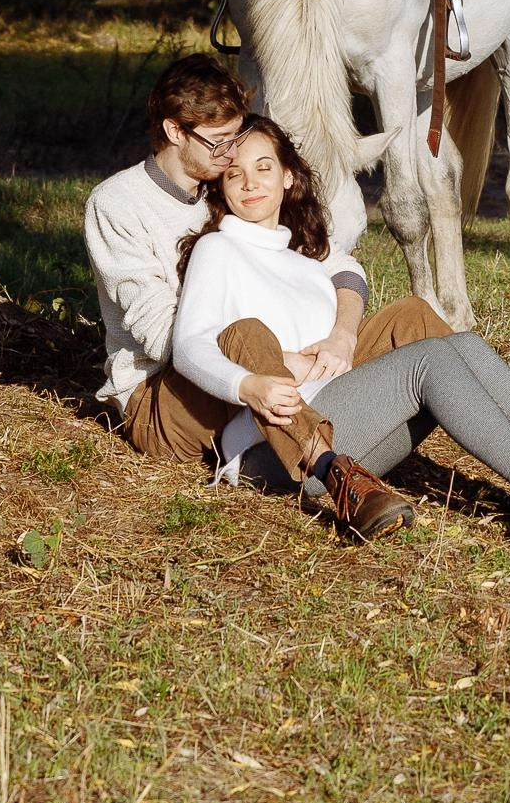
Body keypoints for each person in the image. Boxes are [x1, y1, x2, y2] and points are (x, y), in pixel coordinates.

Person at [173, 114, 510, 543]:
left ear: (287, 176)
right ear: (219, 185)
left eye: (263, 168)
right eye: (233, 174)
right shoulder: (219, 249)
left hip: (346, 423)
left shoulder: (300, 257)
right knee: (428, 360)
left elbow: (348, 274)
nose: (250, 183)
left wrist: (342, 336)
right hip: (276, 453)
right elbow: (189, 345)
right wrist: (249, 383)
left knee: (461, 343)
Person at [84, 56, 434, 538]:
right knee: (244, 333)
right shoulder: (116, 204)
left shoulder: (222, 186)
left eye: (234, 138)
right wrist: (287, 360)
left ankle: (500, 434)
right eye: (219, 142)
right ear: (173, 131)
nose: (232, 155)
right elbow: (161, 332)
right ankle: (335, 473)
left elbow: (338, 265)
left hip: (257, 376)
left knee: (411, 318)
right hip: (168, 396)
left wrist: (340, 337)